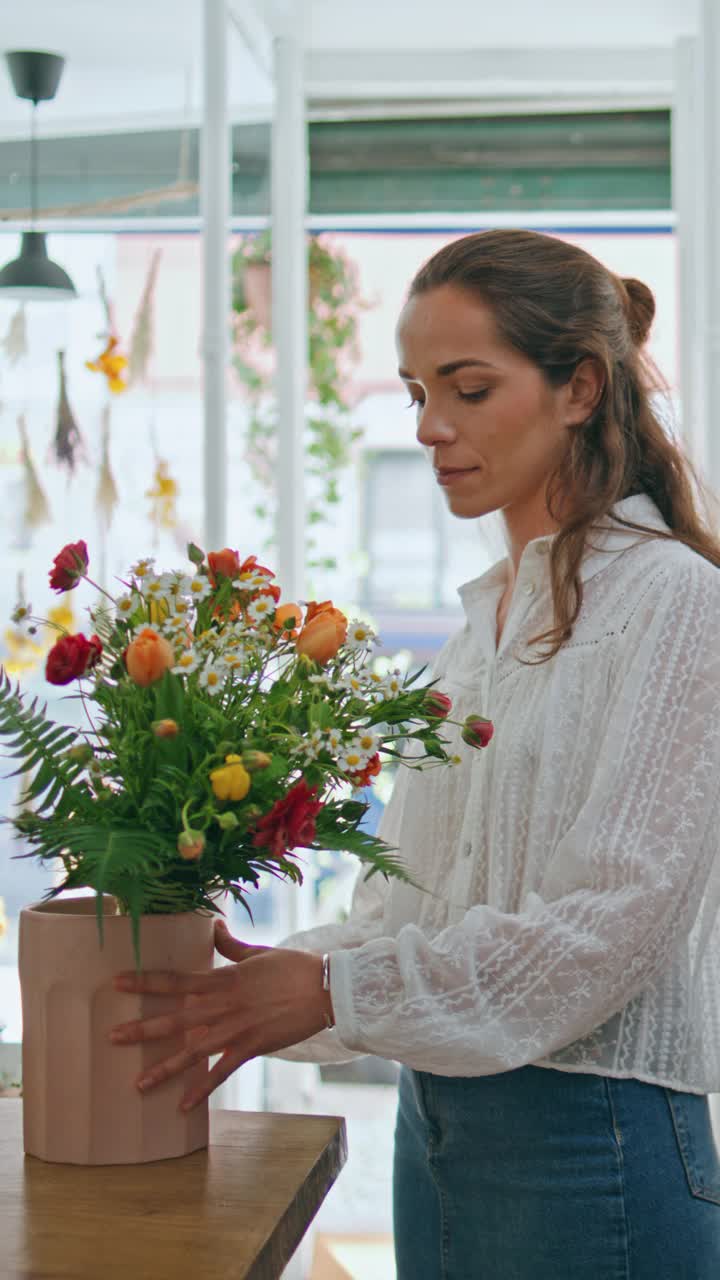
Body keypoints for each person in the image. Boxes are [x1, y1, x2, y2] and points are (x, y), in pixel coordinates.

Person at [111, 230, 720, 1279]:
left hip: (593, 1152)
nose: (432, 426)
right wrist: (247, 978)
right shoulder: (476, 636)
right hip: (432, 1132)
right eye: (415, 390)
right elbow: (411, 914)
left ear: (580, 388)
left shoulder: (677, 604)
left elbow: (609, 928)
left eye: (469, 389)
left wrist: (336, 992)